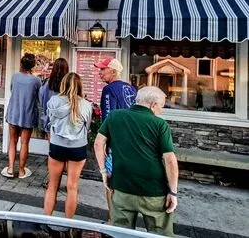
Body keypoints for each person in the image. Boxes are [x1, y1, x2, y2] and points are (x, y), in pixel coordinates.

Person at [94, 86, 178, 237]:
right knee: (159, 233)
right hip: (153, 191)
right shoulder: (160, 125)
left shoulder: (114, 116)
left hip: (121, 187)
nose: (162, 110)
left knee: (120, 233)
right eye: (161, 106)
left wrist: (104, 172)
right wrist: (173, 192)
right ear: (153, 104)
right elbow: (170, 160)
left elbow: (98, 144)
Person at [44, 72, 93, 218]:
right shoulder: (86, 105)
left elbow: (50, 121)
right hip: (77, 147)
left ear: (63, 84)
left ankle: (46, 220)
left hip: (57, 145)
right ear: (80, 86)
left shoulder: (53, 101)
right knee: (72, 187)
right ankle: (69, 224)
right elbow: (87, 126)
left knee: (52, 185)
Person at [94, 57, 137, 219]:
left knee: (110, 182)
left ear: (113, 71)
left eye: (103, 69)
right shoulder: (132, 89)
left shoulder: (109, 90)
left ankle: (113, 219)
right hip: (132, 144)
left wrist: (103, 144)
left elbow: (108, 118)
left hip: (116, 144)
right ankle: (126, 220)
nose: (100, 73)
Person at [1, 53, 41, 179]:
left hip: (14, 113)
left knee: (12, 141)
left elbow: (12, 90)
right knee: (24, 143)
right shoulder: (36, 81)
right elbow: (38, 98)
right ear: (32, 66)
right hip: (28, 114)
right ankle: (22, 171)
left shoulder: (15, 77)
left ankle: (11, 169)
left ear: (21, 64)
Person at [39, 58, 69, 137]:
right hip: (65, 120)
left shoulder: (47, 83)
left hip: (50, 118)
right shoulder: (69, 84)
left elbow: (41, 99)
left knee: (52, 146)